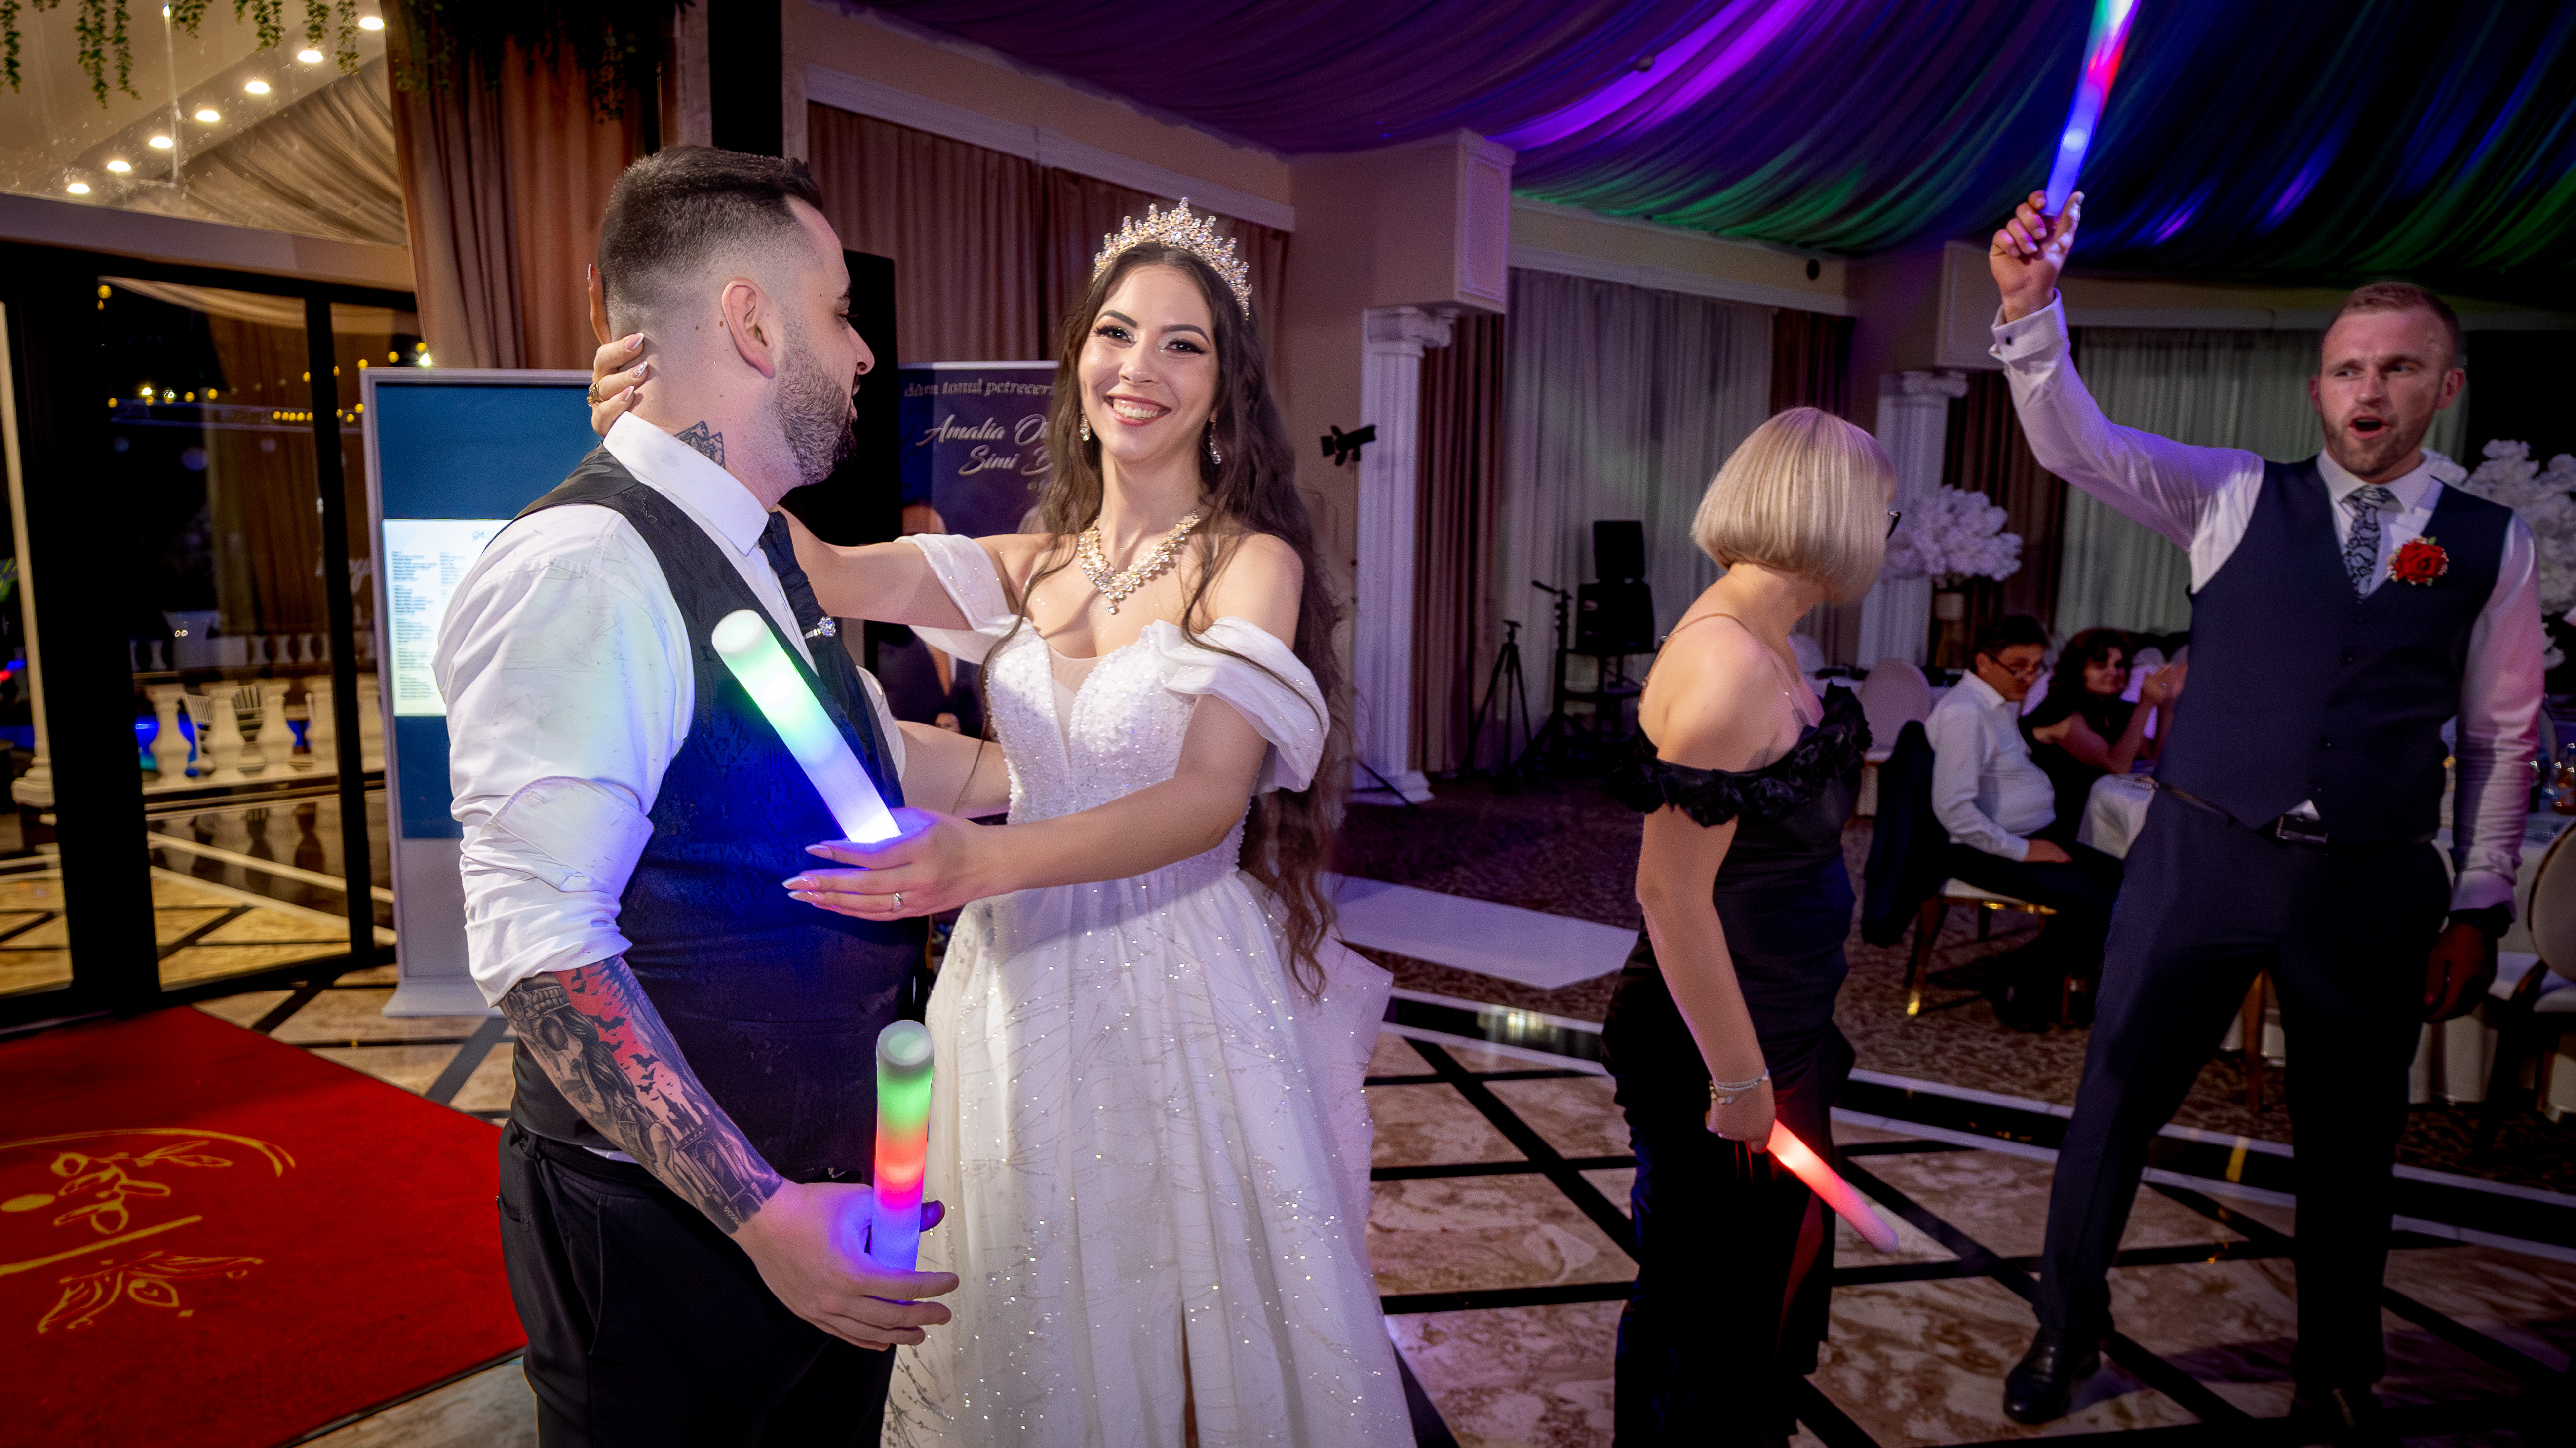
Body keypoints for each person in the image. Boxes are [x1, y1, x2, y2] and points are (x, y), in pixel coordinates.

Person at [593, 202, 1405, 1443]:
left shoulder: (1251, 564)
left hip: (1175, 970)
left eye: (1182, 344)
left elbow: (1205, 800)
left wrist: (981, 858)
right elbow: (815, 563)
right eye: (1116, 333)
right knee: (1031, 1283)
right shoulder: (1032, 564)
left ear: (1225, 389)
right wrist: (660, 436)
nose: (1138, 367)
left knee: (1188, 1299)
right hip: (1013, 980)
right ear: (1078, 362)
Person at [1989, 191, 2543, 1442]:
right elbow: (2080, 445)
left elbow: (2498, 738)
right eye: (2347, 368)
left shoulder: (2490, 544)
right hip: (2198, 856)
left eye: (2398, 367)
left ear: (2443, 387)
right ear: (2316, 389)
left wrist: (2476, 898)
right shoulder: (2231, 495)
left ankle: (2335, 1367)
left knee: (2350, 1140)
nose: (2369, 388)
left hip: (2367, 883)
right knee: (2113, 1104)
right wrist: (2031, 314)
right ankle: (2064, 1327)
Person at [440, 148, 971, 1446]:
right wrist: (761, 1215)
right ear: (751, 321)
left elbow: (845, 752)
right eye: (840, 312)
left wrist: (1092, 781)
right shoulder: (586, 565)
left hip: (817, 1208)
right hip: (668, 1244)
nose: (862, 353)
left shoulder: (756, 544)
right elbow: (542, 954)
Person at [1601, 407, 1891, 1445]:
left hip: (1776, 1021)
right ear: (1835, 514)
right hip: (1714, 1043)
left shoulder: (1772, 641)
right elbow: (1669, 895)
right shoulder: (1725, 662)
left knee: (1759, 1294)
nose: (1885, 533)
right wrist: (1736, 1079)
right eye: (1884, 510)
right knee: (1704, 1312)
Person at [1922, 614, 2123, 1029]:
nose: (2029, 678)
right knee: (2106, 905)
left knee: (2131, 884)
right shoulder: (1965, 713)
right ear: (1984, 662)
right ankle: (2016, 981)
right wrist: (2025, 850)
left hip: (2025, 837)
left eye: (2035, 667)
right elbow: (1954, 811)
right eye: (2018, 667)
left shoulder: (1996, 705)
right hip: (1979, 849)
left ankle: (2036, 980)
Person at [2021, 628, 2185, 834]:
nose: (2113, 673)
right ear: (2078, 669)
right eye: (2100, 666)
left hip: (2102, 815)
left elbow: (2152, 758)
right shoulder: (2060, 711)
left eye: (2119, 666)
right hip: (2061, 821)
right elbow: (2117, 766)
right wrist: (2145, 704)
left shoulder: (2115, 709)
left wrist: (2166, 705)